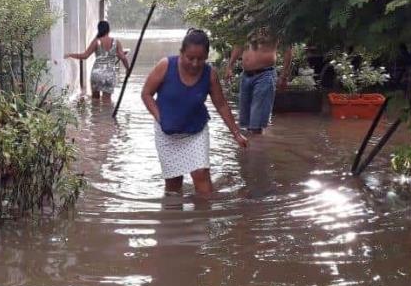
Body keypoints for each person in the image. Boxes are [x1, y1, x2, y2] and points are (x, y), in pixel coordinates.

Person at [141, 28, 249, 196]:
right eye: (190, 58)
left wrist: (236, 133)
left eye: (200, 59)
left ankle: (204, 219)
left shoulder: (210, 74)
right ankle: (175, 219)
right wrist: (160, 117)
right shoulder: (165, 65)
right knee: (173, 184)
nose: (195, 63)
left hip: (196, 132)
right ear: (181, 53)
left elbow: (221, 104)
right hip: (167, 133)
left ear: (207, 57)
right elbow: (146, 94)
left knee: (201, 175)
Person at [224, 27, 292, 134]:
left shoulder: (276, 25)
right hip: (246, 75)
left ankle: (257, 148)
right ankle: (249, 149)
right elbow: (239, 46)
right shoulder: (248, 24)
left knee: (256, 124)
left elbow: (287, 50)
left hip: (265, 75)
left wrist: (283, 76)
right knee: (245, 123)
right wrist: (230, 66)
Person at [65, 21, 130, 102]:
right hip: (109, 75)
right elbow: (123, 57)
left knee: (95, 101)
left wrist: (70, 55)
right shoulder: (116, 42)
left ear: (99, 30)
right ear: (108, 30)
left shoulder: (97, 41)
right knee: (107, 101)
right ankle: (106, 115)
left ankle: (96, 115)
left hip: (97, 74)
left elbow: (85, 56)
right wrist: (127, 68)